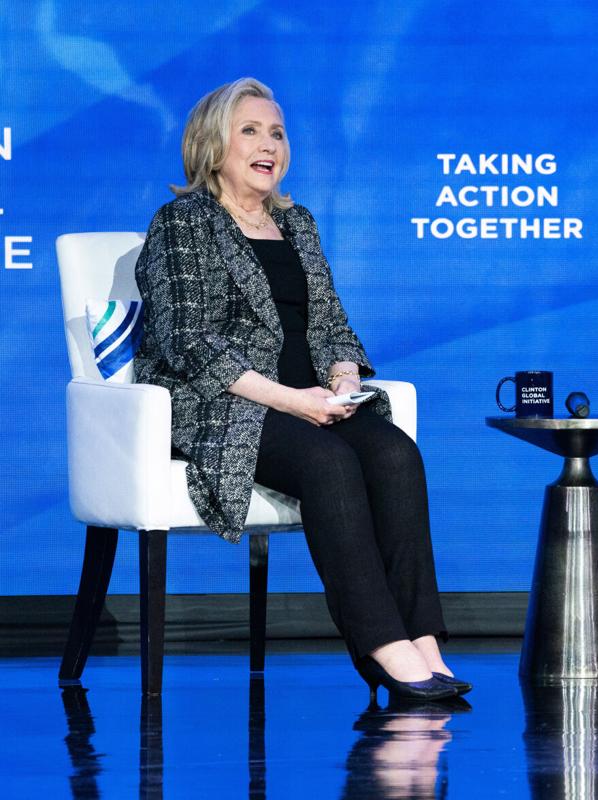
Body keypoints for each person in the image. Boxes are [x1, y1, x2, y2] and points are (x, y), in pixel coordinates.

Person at [134, 77, 467, 703]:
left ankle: (422, 635)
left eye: (278, 132)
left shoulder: (298, 223)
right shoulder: (183, 223)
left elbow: (331, 323)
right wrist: (296, 401)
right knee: (328, 461)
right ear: (213, 146)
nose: (269, 145)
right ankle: (380, 643)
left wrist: (341, 379)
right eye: (251, 131)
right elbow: (190, 342)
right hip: (223, 407)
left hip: (308, 398)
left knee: (396, 452)